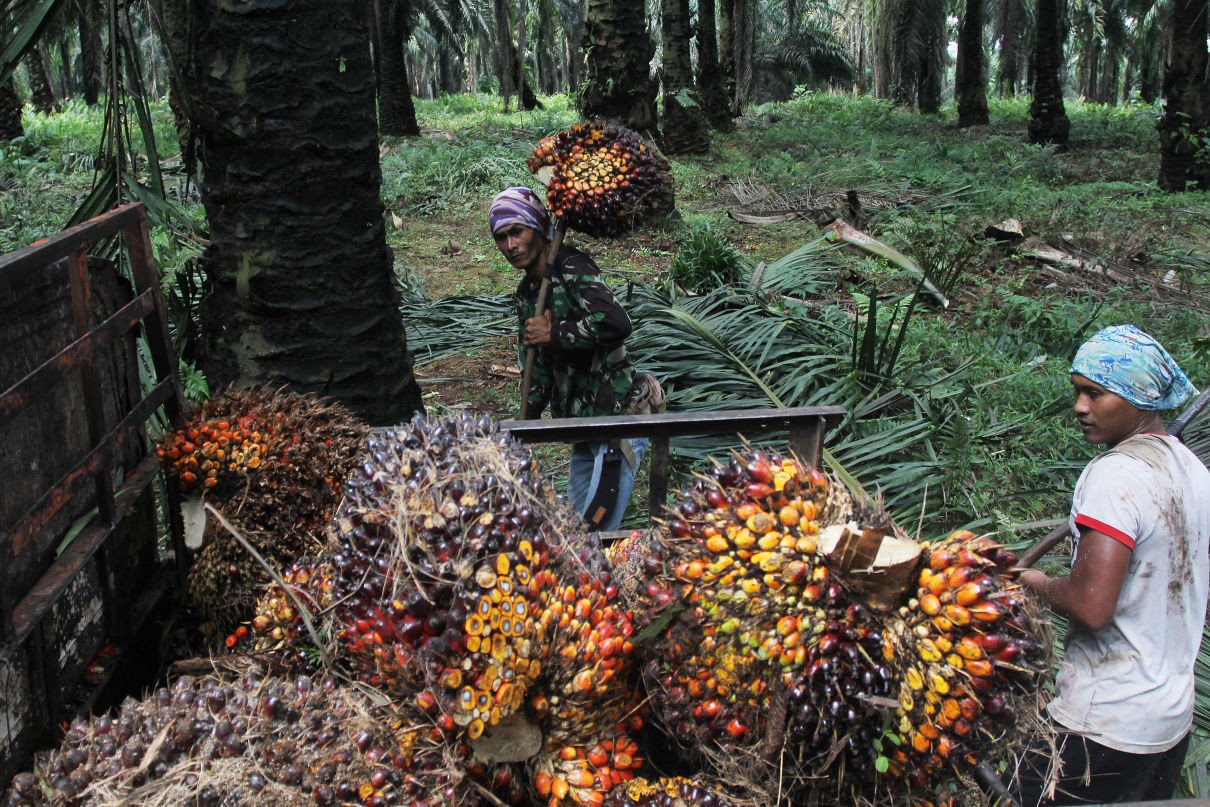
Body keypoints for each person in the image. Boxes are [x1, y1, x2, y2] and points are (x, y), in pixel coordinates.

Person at [1008, 324, 1208, 806]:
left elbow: (1092, 607)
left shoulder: (1114, 475)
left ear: (1137, 396)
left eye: (1095, 394)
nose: (1080, 407)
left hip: (1102, 723)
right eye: (1078, 392)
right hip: (1168, 721)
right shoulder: (1194, 471)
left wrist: (1031, 581)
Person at [489, 186, 662, 531]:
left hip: (618, 417)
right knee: (573, 530)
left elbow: (616, 323)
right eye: (502, 237)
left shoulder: (571, 267)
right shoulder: (527, 294)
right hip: (582, 424)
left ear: (538, 228)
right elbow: (535, 368)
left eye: (517, 232)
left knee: (596, 528)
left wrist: (554, 334)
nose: (511, 245)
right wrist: (525, 427)